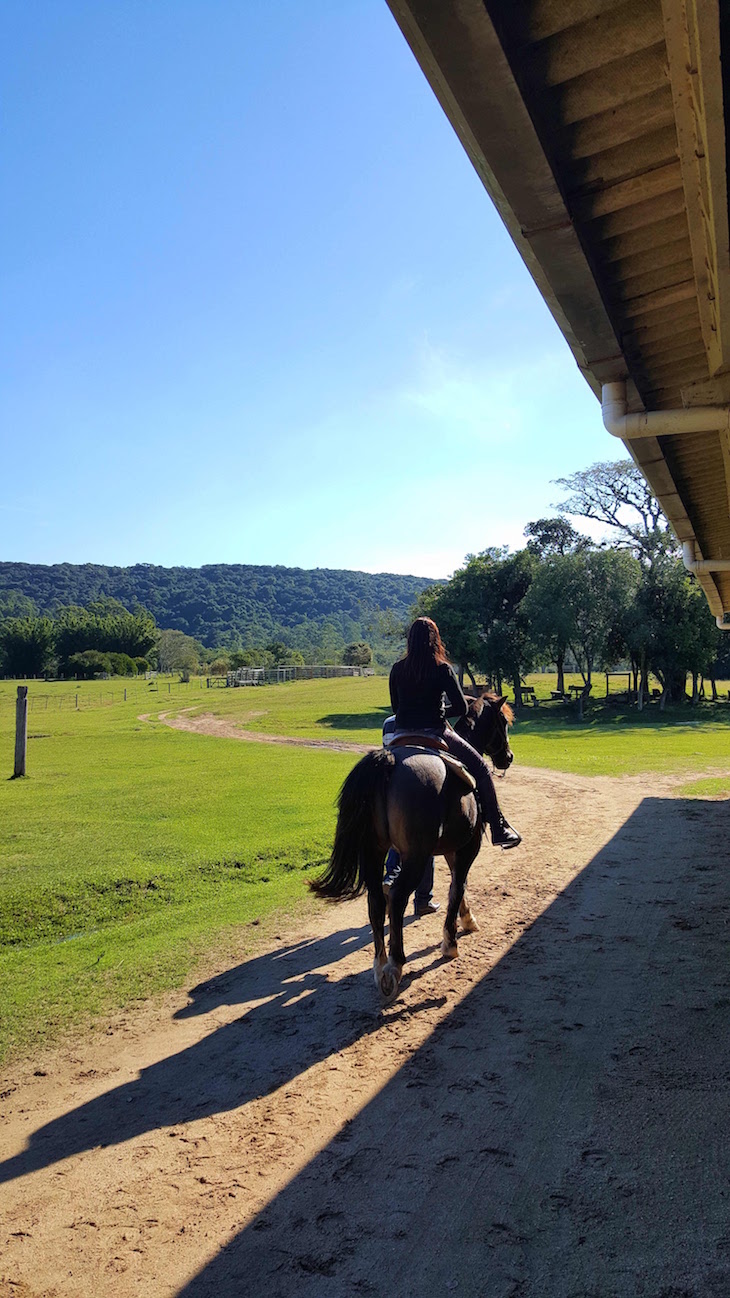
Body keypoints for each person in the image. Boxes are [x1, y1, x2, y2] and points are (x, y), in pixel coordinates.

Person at [388, 617, 521, 850]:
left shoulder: (397, 669)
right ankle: (499, 827)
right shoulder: (442, 669)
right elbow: (461, 708)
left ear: (410, 640)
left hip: (402, 735)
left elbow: (396, 709)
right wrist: (440, 711)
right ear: (434, 640)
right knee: (480, 767)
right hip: (434, 732)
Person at [382, 716, 439, 916]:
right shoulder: (425, 719)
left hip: (391, 781)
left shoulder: (388, 723)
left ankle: (391, 876)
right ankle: (423, 899)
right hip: (422, 778)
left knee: (397, 839)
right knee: (425, 842)